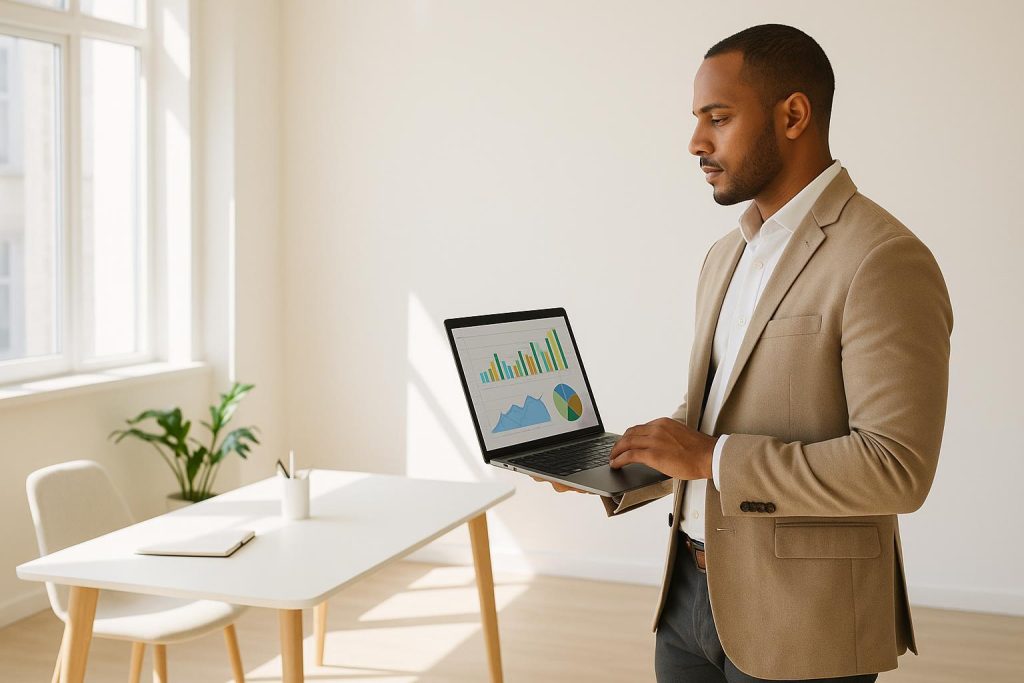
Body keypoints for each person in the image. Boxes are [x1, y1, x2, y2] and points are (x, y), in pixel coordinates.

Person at [533, 23, 953, 682]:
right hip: (687, 602)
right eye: (697, 119)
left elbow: (896, 467)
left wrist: (708, 455)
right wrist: (612, 466)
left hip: (802, 621)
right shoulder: (727, 255)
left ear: (793, 115)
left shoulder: (883, 259)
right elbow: (709, 423)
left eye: (717, 117)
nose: (696, 142)